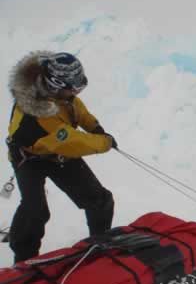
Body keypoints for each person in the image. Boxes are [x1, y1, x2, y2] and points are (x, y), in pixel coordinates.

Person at [6, 51, 117, 263]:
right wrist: (105, 142)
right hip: (29, 158)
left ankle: (99, 245)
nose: (77, 91)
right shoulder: (36, 114)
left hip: (57, 151)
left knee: (100, 200)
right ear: (55, 84)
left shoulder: (61, 95)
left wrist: (95, 127)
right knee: (35, 210)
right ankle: (23, 258)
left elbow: (76, 108)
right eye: (74, 88)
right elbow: (71, 142)